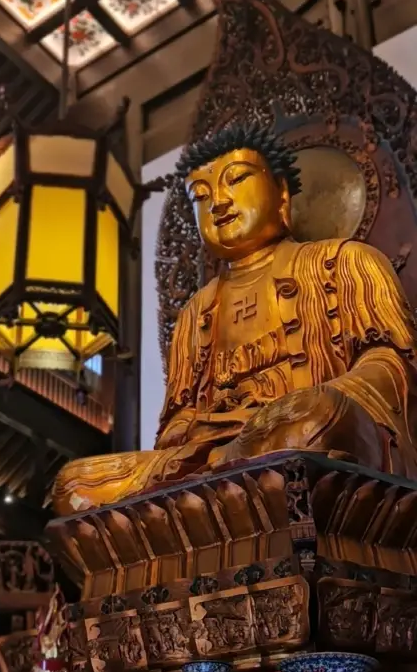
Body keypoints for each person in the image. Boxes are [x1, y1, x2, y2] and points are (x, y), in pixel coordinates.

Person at [53, 124, 417, 515]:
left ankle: (228, 473)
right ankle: (227, 472)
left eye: (237, 179)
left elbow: (391, 368)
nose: (219, 202)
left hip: (299, 434)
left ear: (281, 194)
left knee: (314, 419)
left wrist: (306, 404)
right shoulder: (196, 314)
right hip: (209, 460)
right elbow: (177, 423)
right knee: (73, 485)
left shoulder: (345, 262)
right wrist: (188, 445)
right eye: (201, 195)